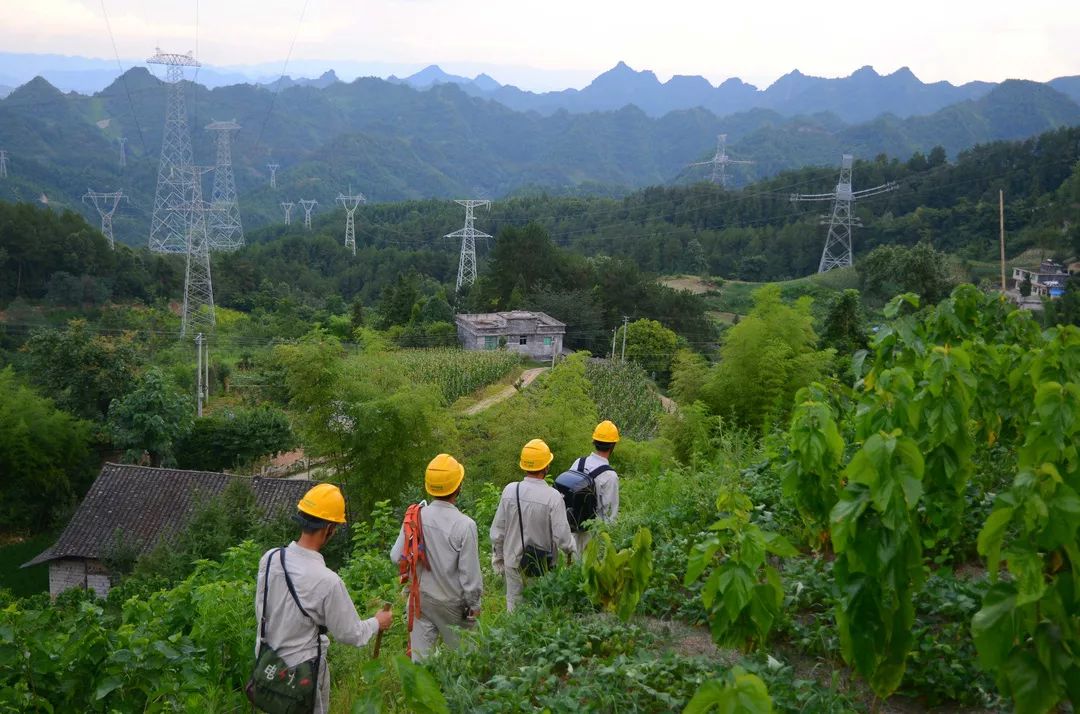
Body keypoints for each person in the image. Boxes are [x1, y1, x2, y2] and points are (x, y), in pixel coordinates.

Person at [255, 483, 393, 714]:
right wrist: (377, 622)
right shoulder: (327, 582)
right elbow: (351, 634)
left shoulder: (270, 559)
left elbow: (262, 610)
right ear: (329, 528)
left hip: (267, 667)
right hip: (300, 676)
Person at [390, 453, 482, 662]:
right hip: (453, 605)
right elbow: (470, 577)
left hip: (420, 600)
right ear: (458, 487)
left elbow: (397, 557)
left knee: (421, 665)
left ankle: (422, 695)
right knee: (466, 662)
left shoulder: (416, 516)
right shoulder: (464, 525)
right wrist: (473, 606)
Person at [490, 438, 576, 611]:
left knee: (514, 609)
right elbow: (563, 538)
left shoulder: (510, 490)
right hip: (541, 565)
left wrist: (499, 559)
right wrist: (571, 553)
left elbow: (497, 532)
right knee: (540, 609)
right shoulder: (553, 497)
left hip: (513, 562)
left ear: (524, 466)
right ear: (546, 467)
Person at [570, 420, 621, 554]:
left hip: (571, 533)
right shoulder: (610, 476)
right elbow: (610, 517)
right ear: (613, 446)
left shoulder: (578, 462)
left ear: (594, 442)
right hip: (593, 539)